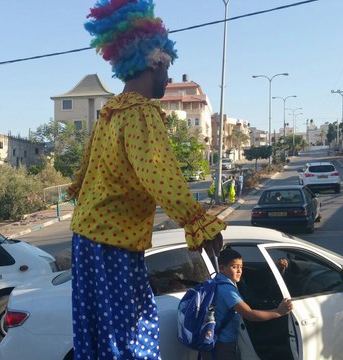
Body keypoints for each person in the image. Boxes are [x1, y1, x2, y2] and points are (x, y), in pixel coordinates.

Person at [68, 1, 227, 359]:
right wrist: (199, 224)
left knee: (97, 337)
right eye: (167, 68)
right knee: (131, 335)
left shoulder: (111, 112)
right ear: (154, 61)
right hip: (112, 244)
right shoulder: (141, 113)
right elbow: (161, 177)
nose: (168, 78)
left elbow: (83, 172)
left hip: (87, 238)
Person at [201, 249, 293, 360]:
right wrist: (279, 311)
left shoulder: (218, 280)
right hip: (224, 344)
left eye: (240, 266)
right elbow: (249, 314)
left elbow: (253, 274)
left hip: (218, 340)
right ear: (222, 268)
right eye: (234, 267)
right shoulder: (227, 289)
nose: (239, 271)